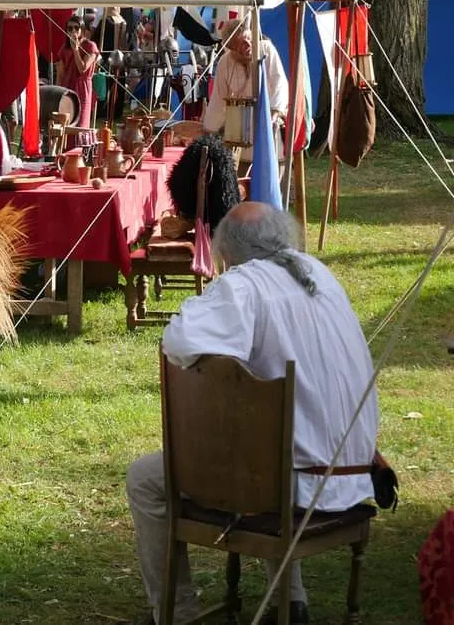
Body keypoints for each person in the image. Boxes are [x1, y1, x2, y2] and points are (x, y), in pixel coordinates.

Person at [125, 202, 378, 625]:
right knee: (270, 438)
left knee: (147, 479)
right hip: (353, 471)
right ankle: (290, 598)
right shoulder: (321, 274)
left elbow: (179, 341)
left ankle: (177, 613)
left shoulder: (243, 286)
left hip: (296, 481)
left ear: (226, 255)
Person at [203, 17, 288, 174]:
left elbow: (279, 83)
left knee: (271, 180)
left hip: (269, 127)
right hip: (240, 135)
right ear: (231, 47)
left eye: (248, 38)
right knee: (242, 185)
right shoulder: (225, 63)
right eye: (241, 43)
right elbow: (218, 99)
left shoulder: (266, 50)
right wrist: (210, 130)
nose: (248, 44)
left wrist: (274, 114)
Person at [56, 15, 98, 142]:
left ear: (82, 29)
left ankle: (79, 155)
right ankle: (67, 157)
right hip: (67, 88)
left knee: (80, 125)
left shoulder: (90, 46)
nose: (73, 31)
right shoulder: (64, 49)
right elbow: (60, 74)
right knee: (67, 123)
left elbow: (83, 69)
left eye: (76, 28)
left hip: (82, 88)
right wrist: (57, 94)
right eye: (70, 28)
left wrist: (76, 49)